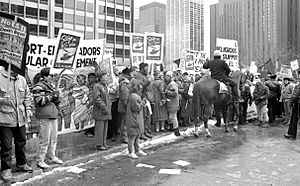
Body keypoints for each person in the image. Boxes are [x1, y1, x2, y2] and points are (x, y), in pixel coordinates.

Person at [0, 62, 33, 182]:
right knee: (6, 145)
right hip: (5, 119)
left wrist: (28, 109)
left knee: (21, 142)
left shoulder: (22, 79)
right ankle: (6, 169)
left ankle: (21, 163)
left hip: (20, 118)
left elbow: (27, 96)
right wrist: (2, 100)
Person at [32, 67, 63, 169]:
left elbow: (55, 100)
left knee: (53, 138)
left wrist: (57, 97)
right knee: (44, 139)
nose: (52, 77)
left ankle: (51, 156)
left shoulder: (51, 86)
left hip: (53, 114)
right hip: (44, 116)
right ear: (45, 76)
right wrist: (52, 96)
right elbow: (40, 101)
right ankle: (40, 160)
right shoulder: (38, 87)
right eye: (51, 75)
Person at [126, 79, 148, 159]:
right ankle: (131, 151)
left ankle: (137, 149)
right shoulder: (134, 96)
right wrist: (142, 104)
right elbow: (135, 108)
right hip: (134, 118)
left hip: (136, 118)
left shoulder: (133, 95)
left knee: (137, 135)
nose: (141, 87)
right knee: (132, 136)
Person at [92, 70, 112, 151]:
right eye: (104, 76)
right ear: (99, 78)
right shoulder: (96, 86)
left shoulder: (104, 86)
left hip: (106, 110)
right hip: (100, 110)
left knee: (105, 127)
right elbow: (97, 98)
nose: (105, 78)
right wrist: (104, 107)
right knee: (100, 128)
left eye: (106, 76)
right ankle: (99, 144)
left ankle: (104, 142)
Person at [135, 63, 153, 140]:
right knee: (142, 117)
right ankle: (141, 133)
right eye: (146, 68)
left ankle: (145, 131)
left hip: (147, 98)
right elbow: (140, 86)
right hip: (142, 98)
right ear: (142, 69)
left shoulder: (146, 75)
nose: (147, 70)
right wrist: (148, 81)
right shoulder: (139, 76)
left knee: (147, 116)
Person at [118, 67, 132, 144]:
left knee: (125, 121)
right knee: (125, 121)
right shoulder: (124, 83)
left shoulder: (125, 82)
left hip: (125, 104)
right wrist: (128, 105)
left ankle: (124, 136)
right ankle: (124, 137)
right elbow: (124, 95)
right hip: (125, 105)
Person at [165, 71, 180, 136]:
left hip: (173, 103)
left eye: (167, 76)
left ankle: (176, 130)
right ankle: (173, 128)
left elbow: (174, 93)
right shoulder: (171, 83)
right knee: (172, 117)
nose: (166, 77)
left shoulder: (172, 84)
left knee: (172, 117)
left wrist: (166, 91)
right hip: (172, 103)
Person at [107, 68, 120, 142]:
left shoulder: (115, 81)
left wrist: (107, 89)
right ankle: (110, 133)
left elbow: (114, 91)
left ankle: (114, 134)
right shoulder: (106, 81)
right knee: (109, 119)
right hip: (108, 102)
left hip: (114, 102)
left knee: (114, 119)